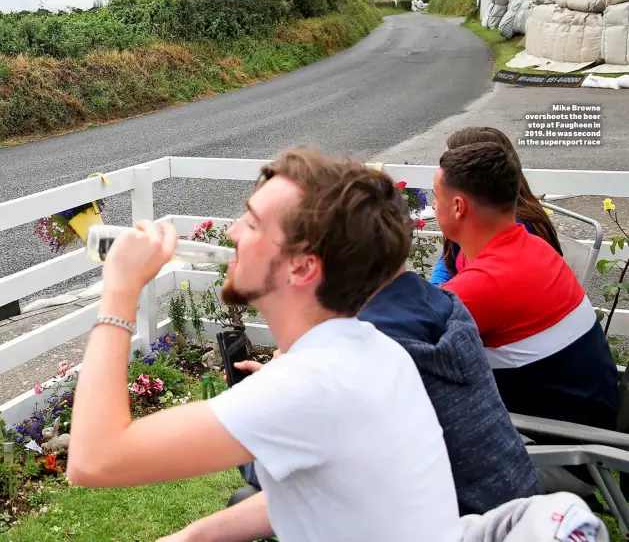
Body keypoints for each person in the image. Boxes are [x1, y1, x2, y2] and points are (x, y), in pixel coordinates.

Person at [67, 147, 463, 542]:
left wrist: (119, 291)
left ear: (303, 266)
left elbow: (93, 460)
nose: (233, 232)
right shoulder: (375, 352)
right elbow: (320, 491)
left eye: (253, 224)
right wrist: (193, 536)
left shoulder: (311, 385)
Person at [230, 264, 543, 516]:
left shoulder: (365, 349)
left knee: (245, 501)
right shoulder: (440, 303)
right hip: (519, 514)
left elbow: (271, 467)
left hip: (456, 524)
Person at [433, 141, 619, 498]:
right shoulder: (530, 247)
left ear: (457, 207)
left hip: (557, 457)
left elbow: (392, 352)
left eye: (436, 195)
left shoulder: (485, 284)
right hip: (588, 433)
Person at [430, 127, 562, 286]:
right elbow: (448, 258)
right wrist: (437, 289)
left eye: (448, 164)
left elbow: (482, 291)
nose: (442, 172)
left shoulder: (513, 232)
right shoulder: (478, 220)